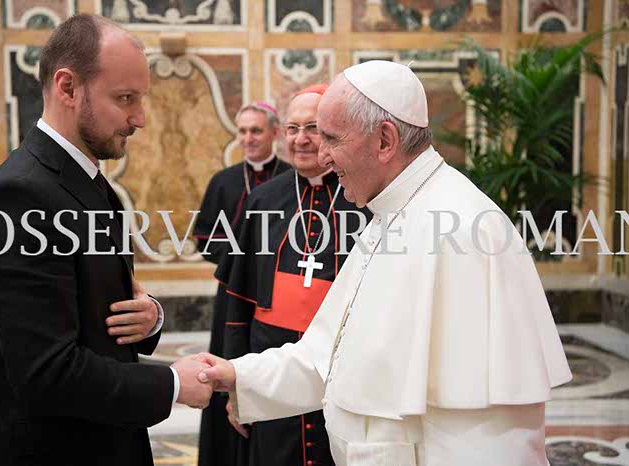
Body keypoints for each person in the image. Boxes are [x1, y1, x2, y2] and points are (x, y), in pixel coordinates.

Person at [196, 60, 572, 466]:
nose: (322, 156)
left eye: (331, 138)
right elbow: (328, 355)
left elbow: (489, 441)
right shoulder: (387, 215)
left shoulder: (465, 232)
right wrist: (239, 376)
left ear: (385, 140)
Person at [0, 14, 211, 466]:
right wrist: (173, 384)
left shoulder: (88, 181)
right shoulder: (19, 196)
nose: (140, 118)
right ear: (68, 88)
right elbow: (45, 373)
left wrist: (149, 317)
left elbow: (97, 307)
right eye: (125, 98)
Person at [218, 84, 371, 466]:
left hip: (344, 371)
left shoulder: (364, 201)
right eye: (292, 128)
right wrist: (237, 381)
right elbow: (238, 304)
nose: (300, 139)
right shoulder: (262, 200)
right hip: (270, 370)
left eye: (313, 128)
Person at [195, 101, 290, 466]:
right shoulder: (224, 181)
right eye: (243, 131)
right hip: (234, 293)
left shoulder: (291, 178)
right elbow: (203, 238)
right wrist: (244, 257)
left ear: (274, 133)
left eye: (256, 131)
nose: (248, 138)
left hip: (276, 293)